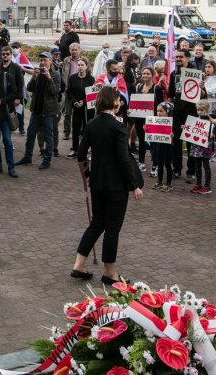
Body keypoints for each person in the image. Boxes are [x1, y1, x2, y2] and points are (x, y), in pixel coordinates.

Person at [71, 86, 144, 284]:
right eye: (118, 99)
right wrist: (134, 185)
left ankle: (79, 264)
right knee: (112, 228)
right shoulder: (118, 126)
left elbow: (80, 153)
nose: (120, 102)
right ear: (113, 102)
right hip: (116, 186)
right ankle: (110, 273)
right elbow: (124, 159)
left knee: (97, 223)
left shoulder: (92, 124)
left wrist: (86, 175)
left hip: (97, 182)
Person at [16, 52, 62, 170]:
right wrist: (34, 77)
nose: (42, 62)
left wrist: (49, 78)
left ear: (50, 61)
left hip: (49, 111)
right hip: (36, 110)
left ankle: (47, 160)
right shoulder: (38, 73)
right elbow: (30, 88)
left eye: (44, 60)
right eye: (41, 60)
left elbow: (55, 91)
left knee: (48, 136)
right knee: (31, 134)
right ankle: (27, 157)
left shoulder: (55, 74)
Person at [168, 50, 197, 180]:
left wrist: (201, 88)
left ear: (188, 58)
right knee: (177, 142)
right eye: (177, 57)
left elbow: (202, 95)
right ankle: (177, 169)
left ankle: (191, 170)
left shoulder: (195, 73)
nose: (178, 59)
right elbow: (170, 94)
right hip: (177, 112)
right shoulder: (174, 73)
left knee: (191, 142)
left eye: (181, 57)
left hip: (191, 112)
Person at [67, 56, 95, 159]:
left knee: (87, 129)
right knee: (75, 128)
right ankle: (74, 149)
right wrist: (74, 102)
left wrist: (83, 101)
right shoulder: (73, 78)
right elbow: (69, 91)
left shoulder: (91, 79)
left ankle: (85, 149)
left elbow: (93, 94)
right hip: (77, 107)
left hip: (88, 108)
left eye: (82, 65)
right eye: (78, 65)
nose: (80, 67)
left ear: (86, 66)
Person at [189, 99, 216, 194]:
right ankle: (198, 184)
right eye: (198, 110)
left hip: (205, 146)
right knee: (197, 165)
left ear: (207, 110)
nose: (199, 112)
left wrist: (212, 134)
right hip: (197, 146)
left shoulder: (211, 119)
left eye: (202, 110)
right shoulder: (196, 120)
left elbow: (215, 131)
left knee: (206, 165)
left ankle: (207, 186)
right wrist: (186, 128)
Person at [0, 45, 26, 135]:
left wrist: (18, 97)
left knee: (19, 113)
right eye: (3, 54)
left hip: (15, 94)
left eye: (7, 54)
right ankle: (8, 131)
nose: (5, 56)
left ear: (11, 55)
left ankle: (21, 128)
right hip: (3, 95)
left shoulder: (16, 67)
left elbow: (20, 83)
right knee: (7, 115)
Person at [61, 43, 83, 141]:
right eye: (72, 50)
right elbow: (63, 73)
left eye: (75, 50)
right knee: (67, 113)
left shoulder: (83, 60)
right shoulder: (66, 60)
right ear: (70, 51)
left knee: (79, 112)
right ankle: (66, 132)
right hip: (69, 89)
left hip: (80, 90)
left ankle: (80, 131)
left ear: (79, 50)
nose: (74, 52)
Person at [152, 102, 174, 191]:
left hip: (168, 147)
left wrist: (173, 135)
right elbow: (151, 133)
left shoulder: (172, 123)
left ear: (167, 112)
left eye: (161, 111)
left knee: (167, 164)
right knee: (159, 163)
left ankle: (169, 183)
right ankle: (159, 181)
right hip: (158, 145)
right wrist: (147, 129)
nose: (159, 113)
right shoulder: (155, 121)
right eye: (157, 111)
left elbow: (175, 136)